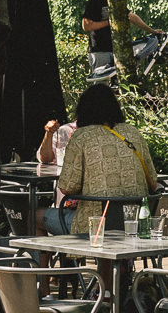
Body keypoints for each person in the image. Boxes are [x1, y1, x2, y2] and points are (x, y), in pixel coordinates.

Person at [56, 82, 156, 236]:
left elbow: (67, 187)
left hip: (95, 226)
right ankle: (120, 260)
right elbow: (153, 182)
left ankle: (61, 260)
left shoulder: (81, 136)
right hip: (134, 224)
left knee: (36, 217)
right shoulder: (132, 132)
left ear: (83, 110)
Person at [81, 0, 155, 75]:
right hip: (99, 51)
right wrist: (110, 22)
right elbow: (86, 26)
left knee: (118, 83)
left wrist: (152, 31)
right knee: (101, 83)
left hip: (116, 51)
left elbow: (131, 16)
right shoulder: (94, 1)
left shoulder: (116, 1)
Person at [38, 115, 79, 234]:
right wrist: (49, 133)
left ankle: (45, 253)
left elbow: (67, 188)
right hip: (65, 206)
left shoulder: (93, 134)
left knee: (34, 217)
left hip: (79, 214)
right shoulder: (65, 131)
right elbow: (45, 158)